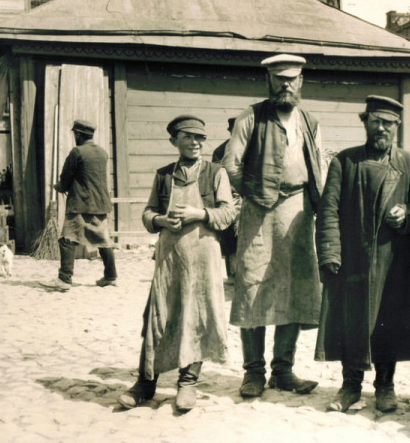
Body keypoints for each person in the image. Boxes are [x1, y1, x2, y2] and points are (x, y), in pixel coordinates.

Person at [315, 95, 410, 413]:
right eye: (376, 121)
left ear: (397, 126)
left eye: (388, 123)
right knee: (350, 322)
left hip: (394, 263)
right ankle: (350, 386)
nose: (382, 128)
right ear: (365, 122)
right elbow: (328, 210)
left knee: (387, 322)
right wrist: (329, 253)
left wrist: (408, 212)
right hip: (353, 257)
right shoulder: (344, 161)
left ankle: (385, 386)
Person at [118, 115, 236, 412]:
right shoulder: (164, 175)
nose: (195, 143)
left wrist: (200, 214)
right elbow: (147, 213)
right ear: (175, 141)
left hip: (204, 257)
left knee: (197, 317)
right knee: (158, 318)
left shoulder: (216, 173)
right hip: (169, 257)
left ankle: (188, 383)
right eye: (188, 137)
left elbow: (228, 213)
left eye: (199, 138)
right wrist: (160, 220)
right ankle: (145, 384)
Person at [223, 54, 324, 398]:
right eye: (279, 78)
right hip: (258, 213)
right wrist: (256, 193)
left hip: (298, 212)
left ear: (301, 82)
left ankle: (283, 370)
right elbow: (231, 164)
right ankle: (253, 373)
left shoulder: (309, 121)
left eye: (291, 79)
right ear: (268, 80)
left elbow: (319, 166)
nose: (285, 85)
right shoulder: (251, 117)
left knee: (294, 287)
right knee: (253, 284)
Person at [40, 120, 117, 291]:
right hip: (101, 205)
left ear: (78, 134)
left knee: (67, 239)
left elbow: (66, 178)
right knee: (103, 241)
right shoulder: (102, 153)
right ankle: (111, 277)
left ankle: (64, 280)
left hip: (81, 204)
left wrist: (59, 187)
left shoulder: (77, 152)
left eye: (75, 134)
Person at [212, 117, 239, 277]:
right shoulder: (221, 151)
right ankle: (232, 273)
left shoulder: (254, 147)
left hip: (249, 196)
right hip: (230, 196)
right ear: (230, 132)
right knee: (230, 234)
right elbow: (217, 176)